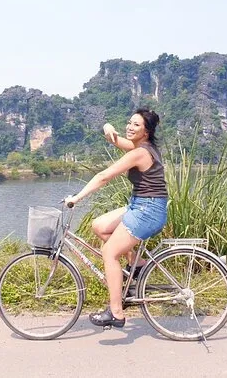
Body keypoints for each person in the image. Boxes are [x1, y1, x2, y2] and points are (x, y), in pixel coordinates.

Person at [65, 108, 168, 328]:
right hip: (141, 205)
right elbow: (115, 139)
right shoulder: (140, 147)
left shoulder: (140, 152)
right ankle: (138, 265)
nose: (130, 127)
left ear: (146, 132)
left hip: (148, 210)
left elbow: (104, 176)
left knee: (109, 252)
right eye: (129, 122)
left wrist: (77, 197)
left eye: (136, 125)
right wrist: (107, 127)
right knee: (99, 226)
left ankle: (116, 312)